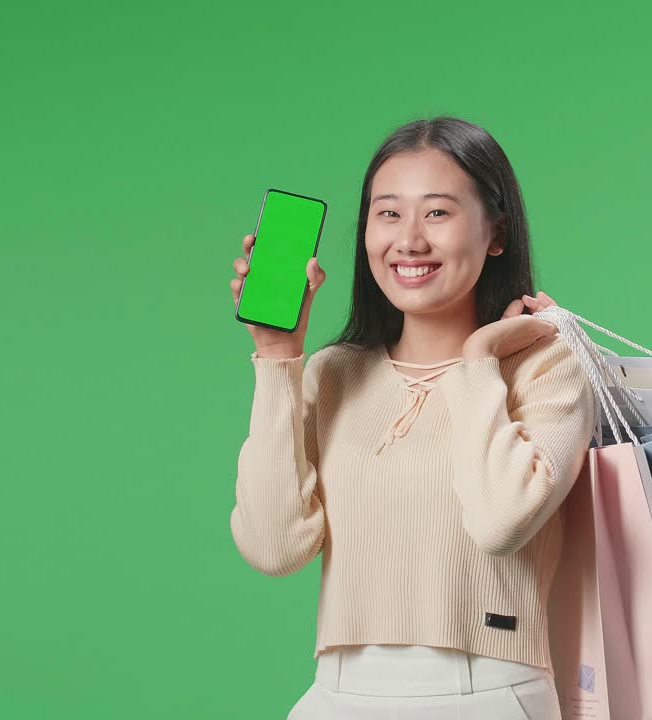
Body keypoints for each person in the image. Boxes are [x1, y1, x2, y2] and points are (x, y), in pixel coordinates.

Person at [228, 116, 596, 719]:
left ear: (496, 232)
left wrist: (478, 360)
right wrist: (277, 357)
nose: (409, 241)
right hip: (336, 695)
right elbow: (274, 548)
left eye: (438, 213)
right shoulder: (334, 373)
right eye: (388, 213)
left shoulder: (544, 368)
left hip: (486, 696)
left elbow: (501, 522)